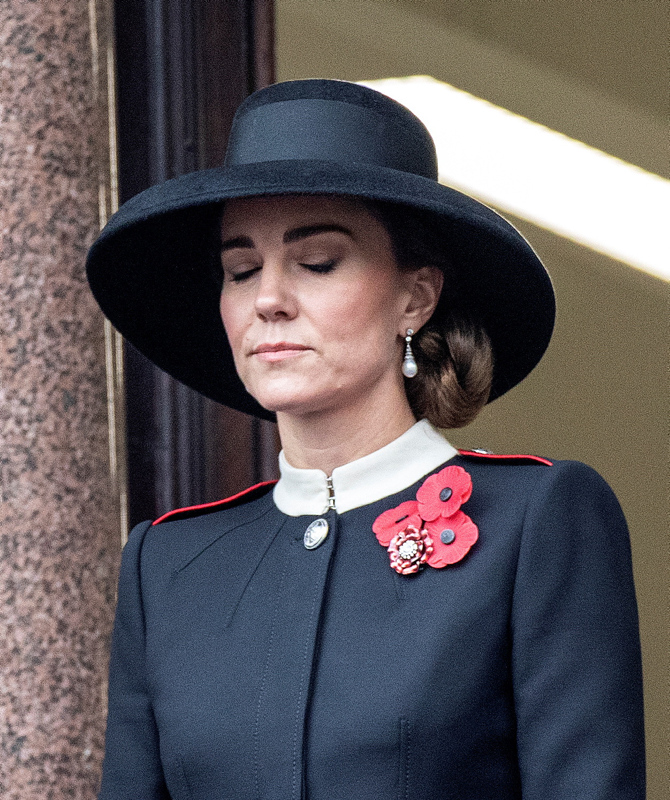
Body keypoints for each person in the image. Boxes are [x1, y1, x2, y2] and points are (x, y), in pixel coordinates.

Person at [86, 79, 645, 799]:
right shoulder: (166, 565)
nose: (268, 299)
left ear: (416, 297)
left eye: (317, 262)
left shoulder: (536, 518)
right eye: (240, 270)